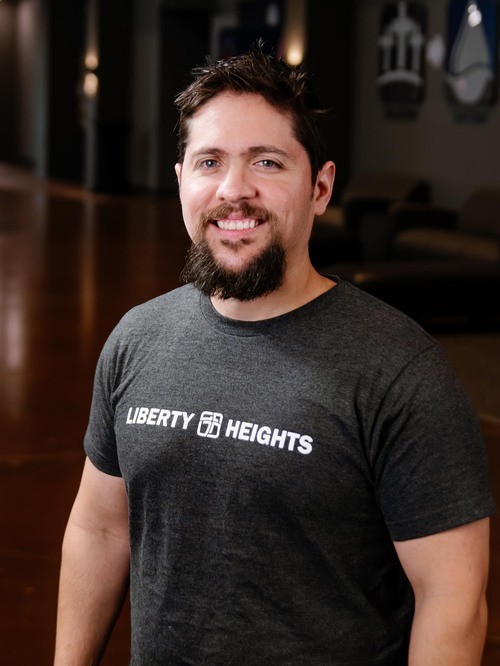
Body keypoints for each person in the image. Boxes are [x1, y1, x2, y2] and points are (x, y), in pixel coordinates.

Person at [55, 46, 495, 665]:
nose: (234, 190)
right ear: (180, 181)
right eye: (210, 162)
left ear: (320, 187)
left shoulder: (399, 371)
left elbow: (451, 597)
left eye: (266, 161)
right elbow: (99, 529)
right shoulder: (137, 338)